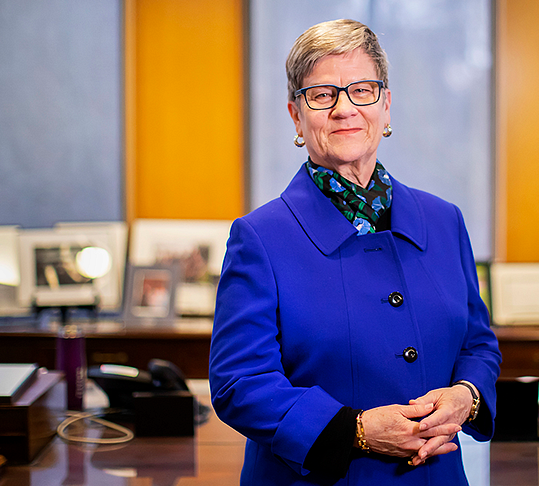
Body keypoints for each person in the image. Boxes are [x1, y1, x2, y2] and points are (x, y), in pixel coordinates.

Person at [209, 18, 501, 486]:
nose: (345, 108)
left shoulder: (445, 221)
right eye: (322, 95)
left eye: (362, 89)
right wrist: (357, 431)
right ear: (296, 116)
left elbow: (478, 344)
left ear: (385, 105)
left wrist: (467, 395)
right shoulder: (259, 237)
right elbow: (239, 384)